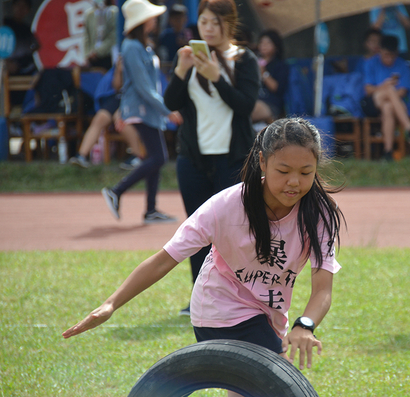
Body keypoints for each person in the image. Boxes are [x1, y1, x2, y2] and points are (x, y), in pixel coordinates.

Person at [62, 118, 345, 389]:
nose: (294, 182)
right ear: (262, 162)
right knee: (275, 383)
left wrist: (305, 325)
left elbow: (323, 289)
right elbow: (164, 259)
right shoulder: (226, 206)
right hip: (219, 308)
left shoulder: (318, 213)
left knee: (249, 389)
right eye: (283, 171)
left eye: (305, 172)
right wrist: (111, 304)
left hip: (268, 314)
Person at [163, 0, 260, 315]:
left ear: (228, 25)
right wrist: (181, 70)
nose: (207, 28)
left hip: (232, 160)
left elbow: (245, 106)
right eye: (203, 22)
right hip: (193, 159)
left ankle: (236, 296)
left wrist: (218, 77)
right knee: (196, 229)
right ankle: (197, 298)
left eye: (214, 23)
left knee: (233, 229)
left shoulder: (245, 60)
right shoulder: (190, 59)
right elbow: (171, 102)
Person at [101, 0, 182, 224]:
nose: (155, 20)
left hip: (147, 109)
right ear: (144, 21)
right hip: (141, 108)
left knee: (155, 157)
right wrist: (167, 111)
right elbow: (143, 87)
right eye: (152, 16)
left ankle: (151, 210)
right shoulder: (132, 47)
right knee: (159, 157)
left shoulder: (141, 45)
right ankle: (117, 191)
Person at [69, 58, 143, 169]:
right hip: (120, 97)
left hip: (136, 99)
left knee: (120, 118)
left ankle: (138, 156)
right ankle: (81, 156)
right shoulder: (123, 59)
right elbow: (117, 87)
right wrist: (119, 70)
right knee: (100, 117)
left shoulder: (143, 58)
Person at [362, 34, 410, 161]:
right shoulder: (371, 63)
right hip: (372, 102)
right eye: (386, 55)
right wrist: (383, 86)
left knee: (388, 107)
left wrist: (388, 91)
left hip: (391, 104)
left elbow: (403, 91)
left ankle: (388, 152)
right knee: (389, 89)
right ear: (380, 51)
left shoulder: (402, 65)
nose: (389, 59)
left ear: (396, 53)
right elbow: (368, 90)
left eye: (392, 56)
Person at [251, 29, 289, 124]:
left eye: (268, 43)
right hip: (254, 98)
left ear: (276, 46)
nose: (263, 46)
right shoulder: (254, 61)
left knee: (248, 109)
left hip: (271, 104)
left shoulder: (280, 65)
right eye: (261, 42)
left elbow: (276, 88)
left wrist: (264, 73)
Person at [3, 0, 38, 77]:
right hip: (6, 69)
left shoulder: (27, 29)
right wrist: (6, 62)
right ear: (13, 7)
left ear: (28, 10)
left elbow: (36, 46)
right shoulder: (4, 24)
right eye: (18, 5)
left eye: (24, 6)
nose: (20, 9)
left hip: (25, 69)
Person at [83, 0, 118, 71]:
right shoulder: (89, 15)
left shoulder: (114, 12)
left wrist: (98, 52)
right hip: (92, 58)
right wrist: (87, 55)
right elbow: (86, 38)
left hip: (108, 56)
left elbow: (113, 37)